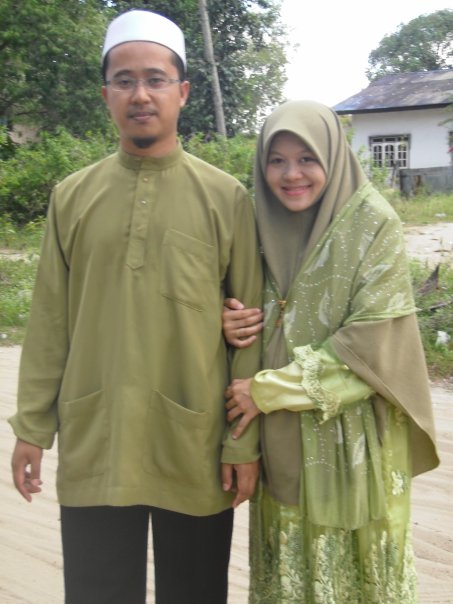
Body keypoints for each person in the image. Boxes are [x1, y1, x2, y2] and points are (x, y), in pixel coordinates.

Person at [8, 9, 263, 604]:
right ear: (106, 96)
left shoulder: (225, 198)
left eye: (155, 79)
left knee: (195, 592)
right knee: (96, 592)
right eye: (124, 81)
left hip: (194, 439)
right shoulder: (72, 197)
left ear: (183, 92)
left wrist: (240, 443)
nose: (140, 95)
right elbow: (49, 322)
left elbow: (250, 328)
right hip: (97, 433)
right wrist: (32, 428)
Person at [222, 100, 440, 603]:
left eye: (307, 159)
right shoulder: (256, 222)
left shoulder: (372, 223)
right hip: (279, 441)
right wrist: (223, 318)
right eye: (277, 160)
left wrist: (266, 390)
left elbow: (372, 347)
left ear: (333, 158)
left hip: (353, 443)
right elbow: (233, 299)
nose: (291, 175)